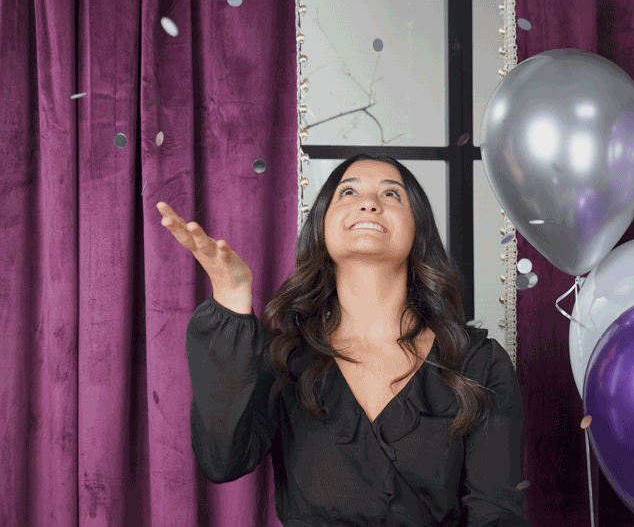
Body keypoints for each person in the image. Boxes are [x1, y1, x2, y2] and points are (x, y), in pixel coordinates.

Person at [158, 153, 530, 527]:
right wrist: (232, 294)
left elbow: (496, 515)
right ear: (321, 226)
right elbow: (222, 459)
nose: (369, 203)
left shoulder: (478, 363)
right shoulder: (284, 357)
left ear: (419, 230)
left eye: (392, 194)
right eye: (348, 192)